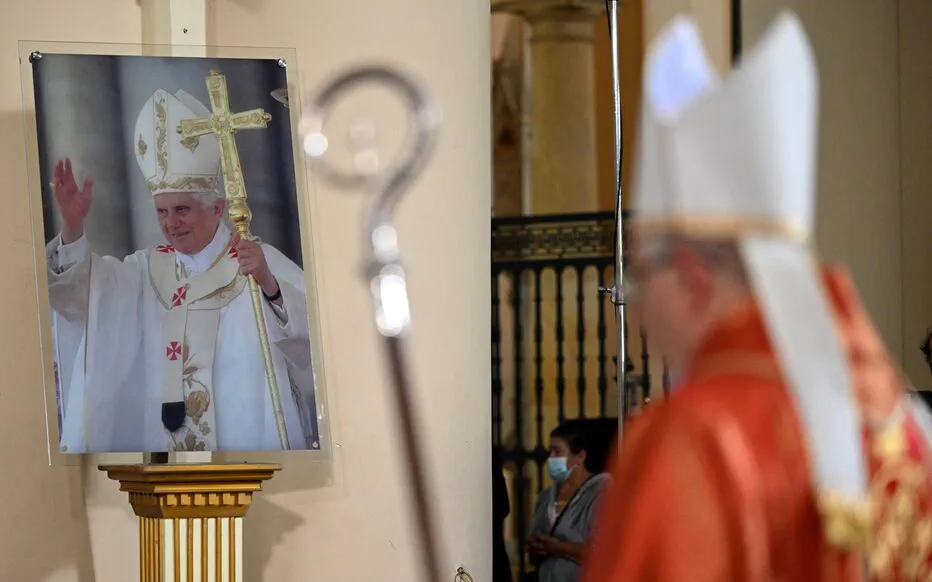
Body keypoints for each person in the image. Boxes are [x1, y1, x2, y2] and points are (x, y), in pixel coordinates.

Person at [582, 11, 932, 581]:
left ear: (693, 279)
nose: (637, 307)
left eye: (641, 277)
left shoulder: (691, 438)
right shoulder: (896, 424)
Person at [47, 88, 316, 453]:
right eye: (162, 211)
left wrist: (270, 285)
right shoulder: (145, 271)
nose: (171, 224)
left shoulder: (255, 264)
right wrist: (73, 228)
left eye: (182, 210)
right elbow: (83, 300)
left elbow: (314, 345)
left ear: (218, 209)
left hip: (244, 455)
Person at [527, 420, 610, 582]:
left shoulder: (601, 493)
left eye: (557, 452)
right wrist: (536, 547)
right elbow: (533, 555)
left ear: (580, 457)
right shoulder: (546, 498)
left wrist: (557, 547)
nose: (551, 459)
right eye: (549, 452)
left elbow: (602, 554)